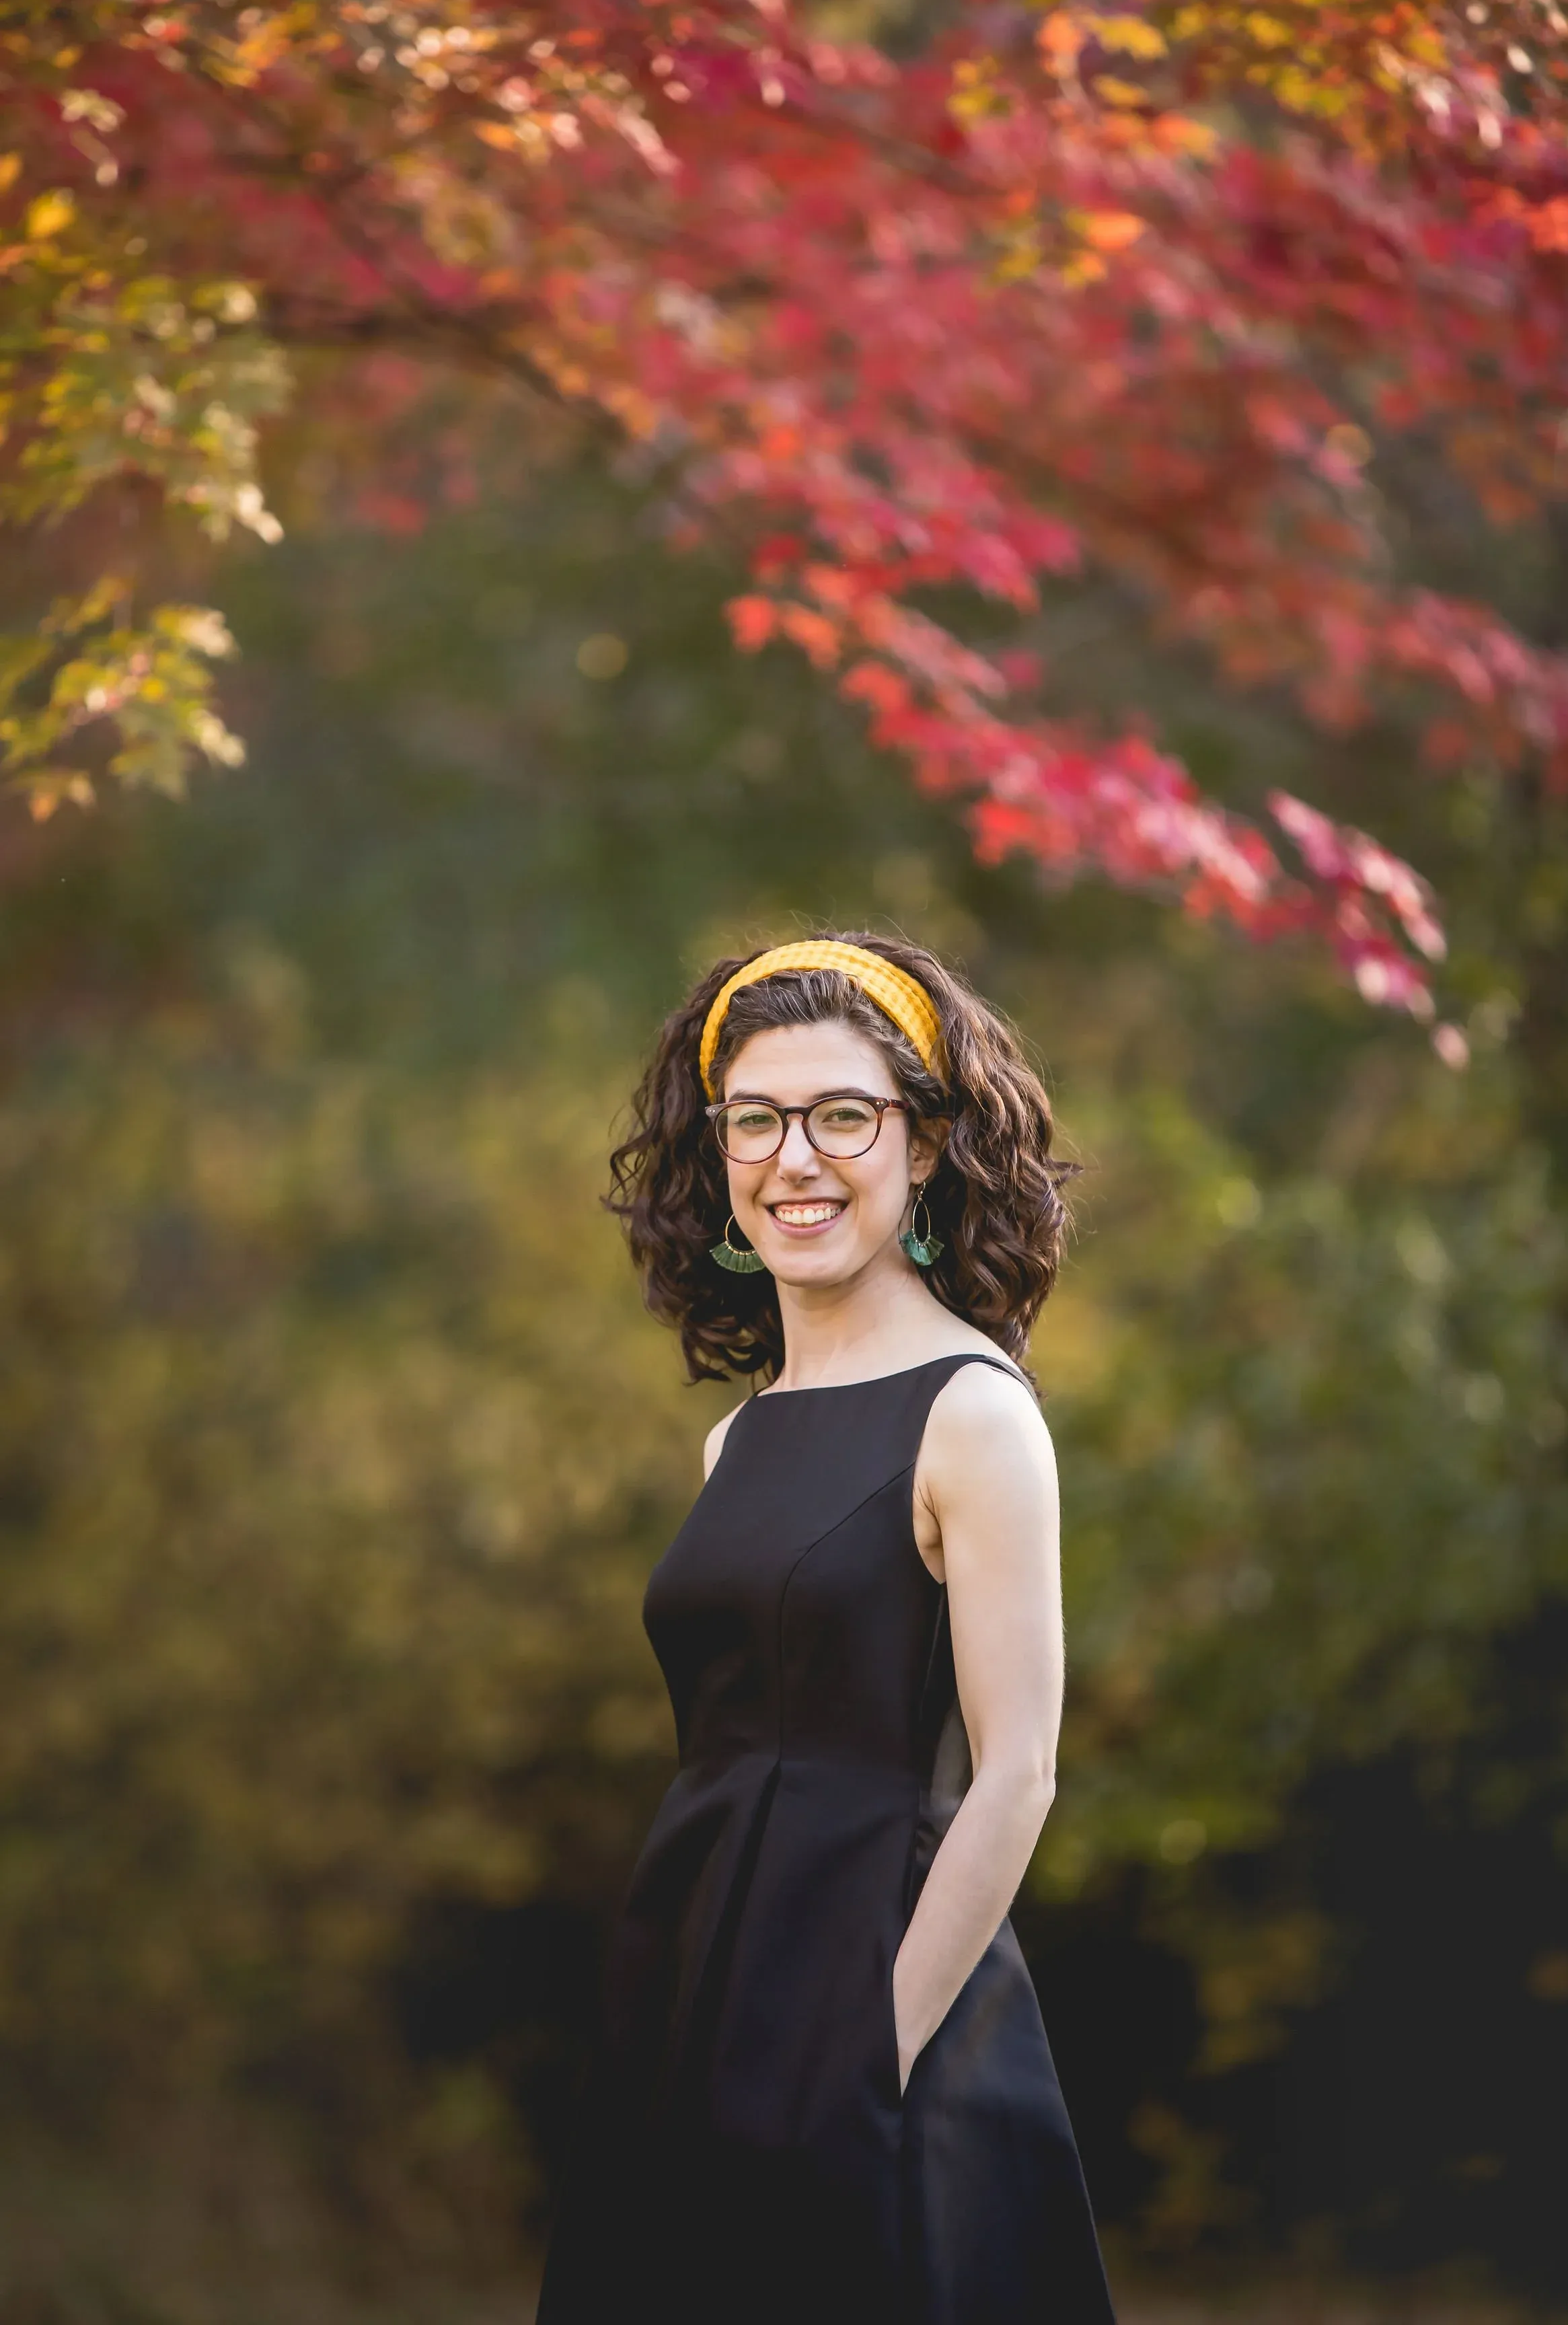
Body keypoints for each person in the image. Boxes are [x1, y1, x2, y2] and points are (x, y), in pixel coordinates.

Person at [536, 934, 1115, 2325]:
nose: (797, 1156)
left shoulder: (974, 1415)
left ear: (922, 1147)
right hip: (700, 1978)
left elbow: (1018, 1769)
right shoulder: (734, 1440)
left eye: (843, 1115)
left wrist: (874, 2051)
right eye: (758, 1118)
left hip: (879, 2002)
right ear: (722, 1153)